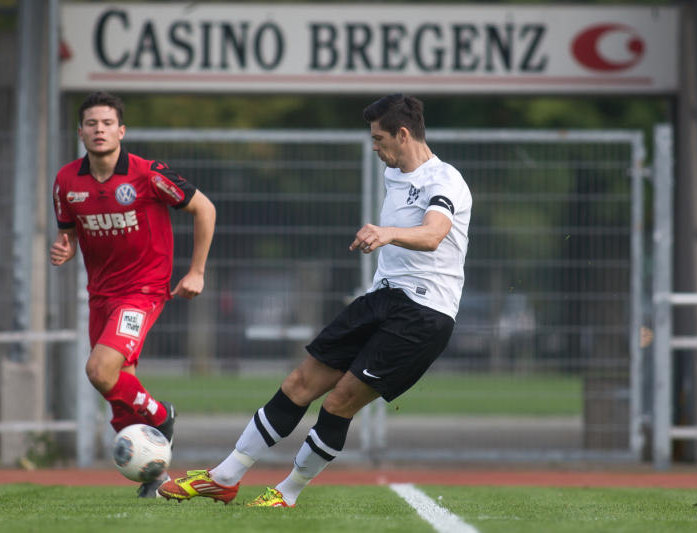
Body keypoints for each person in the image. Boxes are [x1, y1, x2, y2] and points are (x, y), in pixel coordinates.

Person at [158, 93, 471, 507]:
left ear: (403, 134)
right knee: (299, 383)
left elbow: (433, 234)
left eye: (378, 139)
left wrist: (387, 233)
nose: (374, 147)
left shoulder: (444, 180)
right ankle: (224, 477)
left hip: (424, 314)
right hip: (382, 297)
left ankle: (286, 493)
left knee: (340, 400)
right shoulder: (394, 174)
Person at [50, 91, 216, 498]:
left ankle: (160, 416)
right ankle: (154, 475)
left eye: (107, 123)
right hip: (101, 294)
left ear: (121, 131)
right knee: (119, 386)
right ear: (80, 132)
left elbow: (205, 208)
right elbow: (69, 234)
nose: (99, 130)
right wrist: (65, 248)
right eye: (92, 124)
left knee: (99, 370)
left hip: (143, 290)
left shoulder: (148, 174)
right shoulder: (66, 181)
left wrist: (196, 272)